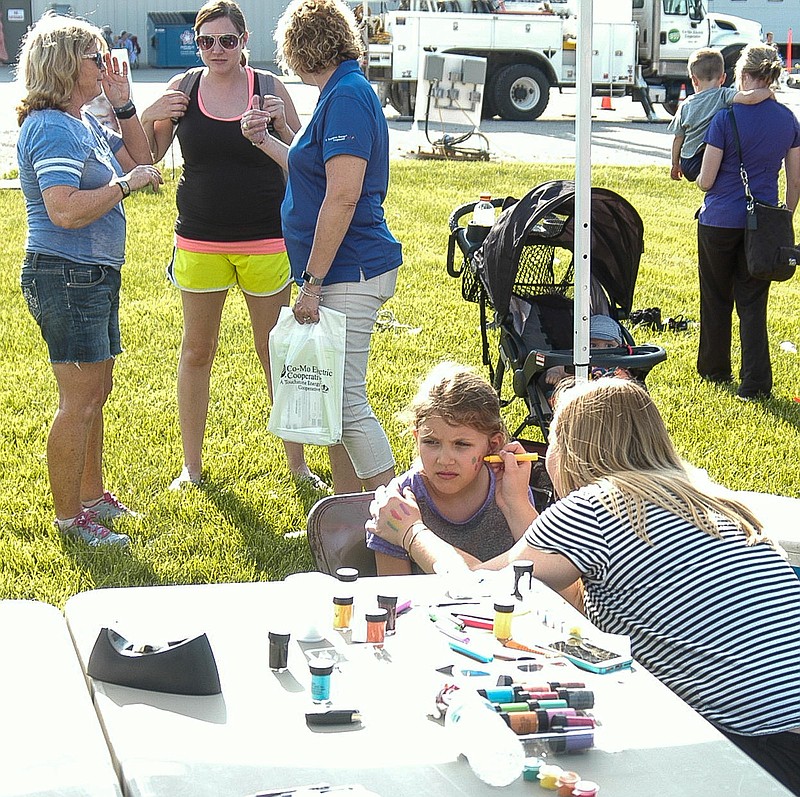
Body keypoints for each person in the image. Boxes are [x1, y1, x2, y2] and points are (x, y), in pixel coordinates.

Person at [369, 377, 800, 795]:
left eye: (552, 443)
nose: (546, 456)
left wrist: (411, 534)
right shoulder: (710, 496)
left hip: (746, 747)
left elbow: (481, 590)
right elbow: (557, 596)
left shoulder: (597, 505)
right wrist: (516, 503)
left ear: (574, 451)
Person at [140, 0, 322, 491]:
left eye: (227, 40)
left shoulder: (267, 88)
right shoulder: (183, 89)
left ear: (245, 42)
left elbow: (307, 168)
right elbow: (146, 159)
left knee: (274, 355)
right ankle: (191, 469)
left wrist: (283, 127)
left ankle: (298, 466)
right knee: (197, 352)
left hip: (266, 241)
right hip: (199, 241)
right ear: (195, 45)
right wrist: (147, 113)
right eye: (205, 42)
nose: (216, 50)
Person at [241, 0, 403, 493]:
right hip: (341, 267)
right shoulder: (341, 91)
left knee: (348, 401)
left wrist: (310, 283)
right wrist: (268, 142)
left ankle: (393, 517)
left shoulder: (348, 96)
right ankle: (347, 515)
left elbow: (344, 194)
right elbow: (314, 177)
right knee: (335, 399)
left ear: (300, 47)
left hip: (348, 269)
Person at [16, 14, 162, 546]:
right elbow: (65, 211)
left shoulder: (82, 123)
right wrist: (124, 186)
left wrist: (123, 103)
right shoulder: (52, 125)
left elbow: (143, 159)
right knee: (77, 399)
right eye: (94, 57)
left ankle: (92, 497)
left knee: (97, 391)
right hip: (66, 272)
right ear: (63, 65)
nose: (104, 64)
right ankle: (68, 518)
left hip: (92, 273)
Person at [696, 44, 800, 400]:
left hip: (720, 220)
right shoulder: (788, 119)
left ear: (742, 75)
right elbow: (795, 180)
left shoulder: (725, 118)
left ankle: (714, 369)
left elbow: (707, 179)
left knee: (715, 298)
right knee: (753, 305)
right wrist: (784, 214)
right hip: (763, 225)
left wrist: (698, 180)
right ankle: (755, 383)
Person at [365, 363, 537, 574]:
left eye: (462, 444)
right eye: (431, 442)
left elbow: (542, 575)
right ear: (416, 437)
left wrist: (517, 503)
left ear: (493, 444)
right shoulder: (399, 503)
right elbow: (393, 598)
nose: (444, 459)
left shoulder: (510, 489)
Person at [668, 48, 772, 183]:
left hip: (688, 161)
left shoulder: (685, 105)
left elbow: (678, 138)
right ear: (723, 78)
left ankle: (705, 182)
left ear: (694, 80)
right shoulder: (723, 95)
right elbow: (749, 98)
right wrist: (768, 92)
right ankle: (707, 183)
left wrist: (675, 164)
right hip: (705, 159)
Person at [545, 314, 625, 385]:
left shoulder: (620, 363)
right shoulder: (578, 359)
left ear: (619, 346)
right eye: (593, 345)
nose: (601, 350)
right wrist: (554, 373)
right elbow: (560, 368)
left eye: (609, 346)